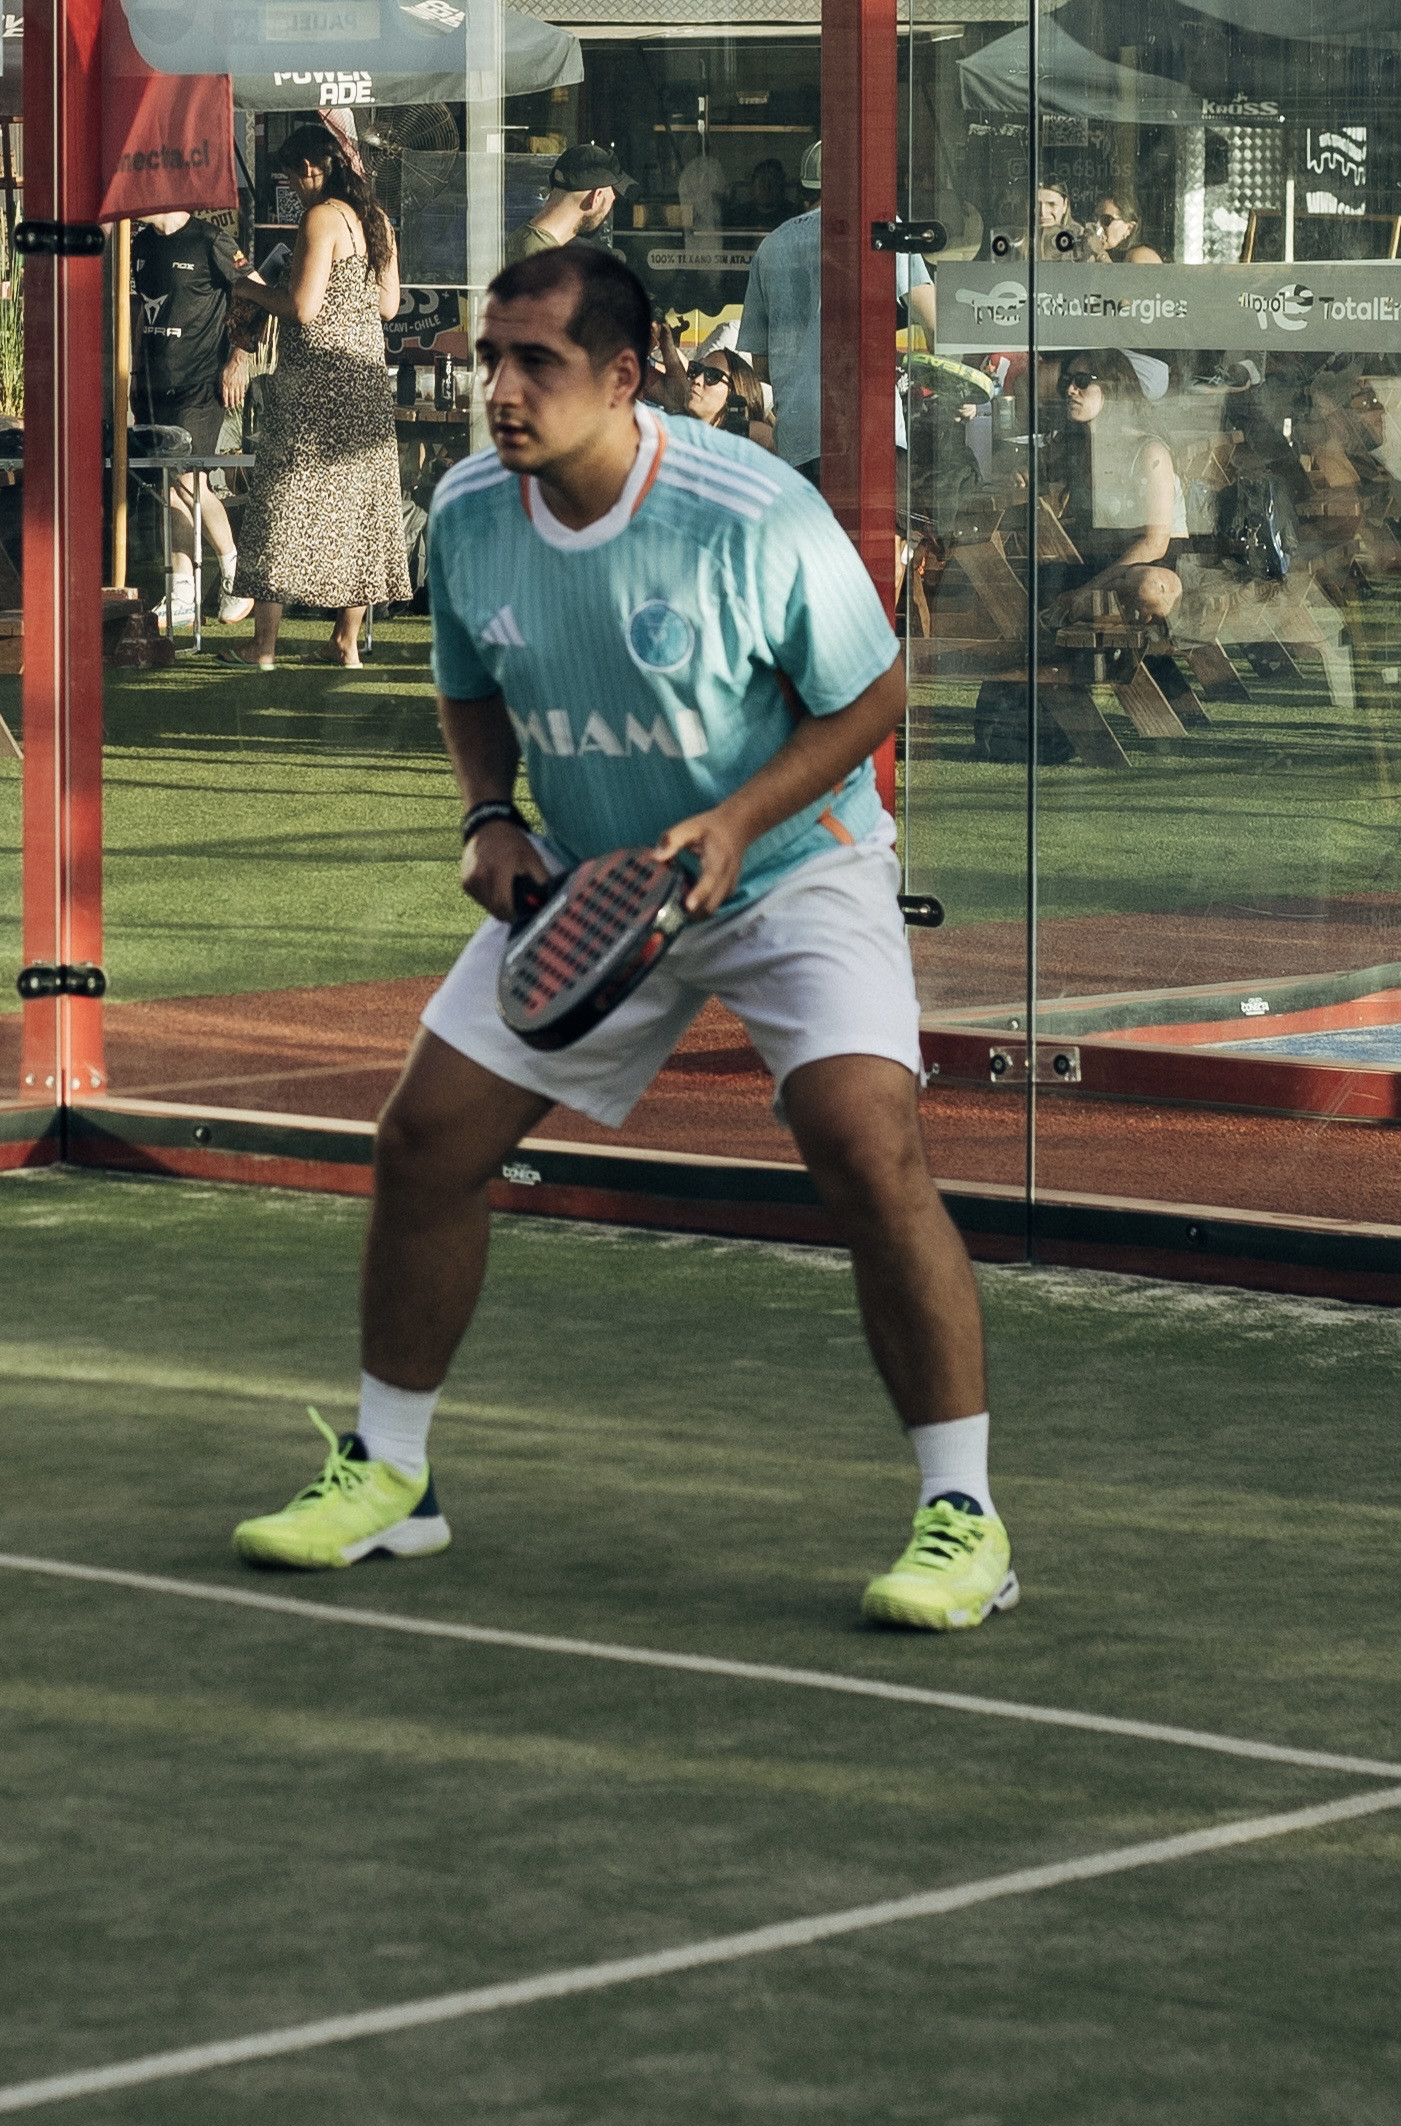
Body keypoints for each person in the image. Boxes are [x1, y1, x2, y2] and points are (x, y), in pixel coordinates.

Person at [232, 244, 1019, 1636]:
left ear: (623, 375)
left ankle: (963, 1515)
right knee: (425, 1141)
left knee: (864, 1139)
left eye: (535, 361)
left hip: (791, 867)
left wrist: (735, 824)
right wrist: (489, 815)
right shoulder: (469, 508)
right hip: (599, 884)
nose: (500, 388)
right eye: (490, 357)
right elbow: (467, 682)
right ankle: (393, 1475)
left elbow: (874, 694)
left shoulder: (750, 511)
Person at [221, 125, 410, 669]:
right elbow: (389, 306)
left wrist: (249, 288)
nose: (291, 187)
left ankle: (263, 647)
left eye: (289, 177)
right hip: (365, 381)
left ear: (309, 168)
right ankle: (345, 642)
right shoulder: (377, 220)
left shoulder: (321, 217)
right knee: (360, 506)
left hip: (315, 381)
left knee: (281, 504)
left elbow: (302, 308)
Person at [738, 139, 937, 485]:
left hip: (798, 437)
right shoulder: (879, 229)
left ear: (804, 190)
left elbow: (762, 368)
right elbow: (933, 320)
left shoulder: (769, 248)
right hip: (868, 426)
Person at [129, 212, 255, 629]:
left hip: (199, 386)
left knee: (188, 479)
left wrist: (238, 358)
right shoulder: (142, 243)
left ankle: (237, 572)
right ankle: (183, 590)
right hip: (152, 385)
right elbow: (139, 313)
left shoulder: (210, 240)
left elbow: (256, 295)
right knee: (169, 484)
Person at [1047, 349, 1184, 623]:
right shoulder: (1081, 447)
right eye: (1067, 381)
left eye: (1082, 381)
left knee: (1143, 587)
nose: (1071, 390)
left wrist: (1089, 590)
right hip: (1105, 561)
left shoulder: (1149, 452)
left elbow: (1155, 543)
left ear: (1113, 388)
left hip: (1148, 565)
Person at [504, 143, 637, 266]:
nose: (610, 209)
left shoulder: (521, 240)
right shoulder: (544, 266)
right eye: (613, 200)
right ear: (595, 197)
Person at [683, 346, 774, 448]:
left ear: (735, 391)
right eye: (696, 369)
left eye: (712, 375)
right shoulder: (679, 433)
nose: (697, 380)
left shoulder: (756, 437)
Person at [1093, 194, 1163, 266]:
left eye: (1106, 219)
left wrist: (1101, 255)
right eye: (1095, 218)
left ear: (1129, 228)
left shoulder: (1140, 256)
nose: (1097, 225)